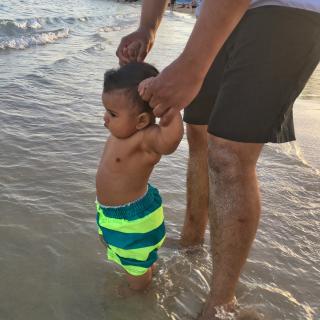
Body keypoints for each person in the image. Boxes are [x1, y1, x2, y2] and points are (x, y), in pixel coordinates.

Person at [116, 0, 320, 318]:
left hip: (283, 9)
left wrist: (191, 65)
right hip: (219, 14)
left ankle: (221, 304)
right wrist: (147, 26)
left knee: (228, 154)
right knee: (199, 133)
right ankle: (192, 244)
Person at [96, 62, 183, 292]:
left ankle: (139, 294)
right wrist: (129, 65)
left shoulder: (146, 138)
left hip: (133, 220)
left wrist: (170, 110)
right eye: (106, 110)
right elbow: (131, 91)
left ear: (142, 120)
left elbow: (170, 141)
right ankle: (145, 272)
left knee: (135, 267)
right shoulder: (122, 131)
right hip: (113, 215)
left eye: (113, 114)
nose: (105, 118)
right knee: (128, 255)